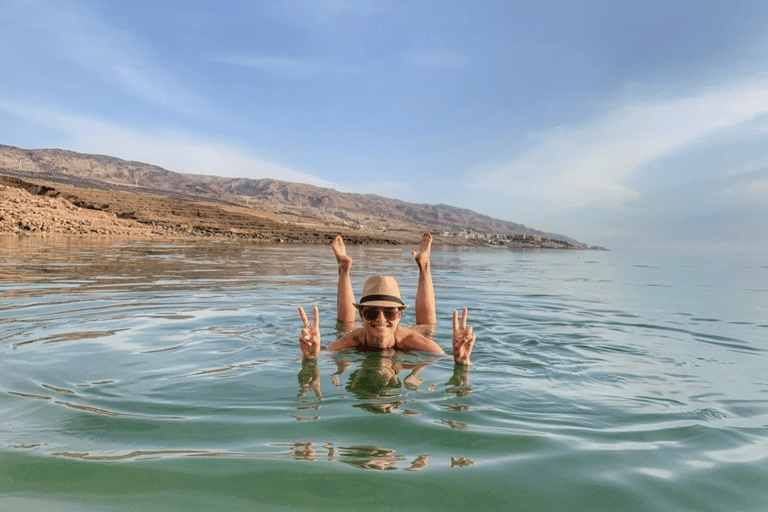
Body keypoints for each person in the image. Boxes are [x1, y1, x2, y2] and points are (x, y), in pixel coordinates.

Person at [298, 233, 476, 365]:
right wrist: (311, 356)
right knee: (345, 327)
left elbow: (444, 357)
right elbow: (321, 355)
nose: (380, 319)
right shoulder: (353, 339)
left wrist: (462, 361)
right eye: (371, 312)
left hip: (406, 337)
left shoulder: (410, 339)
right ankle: (343, 270)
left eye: (389, 312)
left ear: (400, 315)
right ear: (361, 314)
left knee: (427, 328)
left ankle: (425, 266)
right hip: (361, 334)